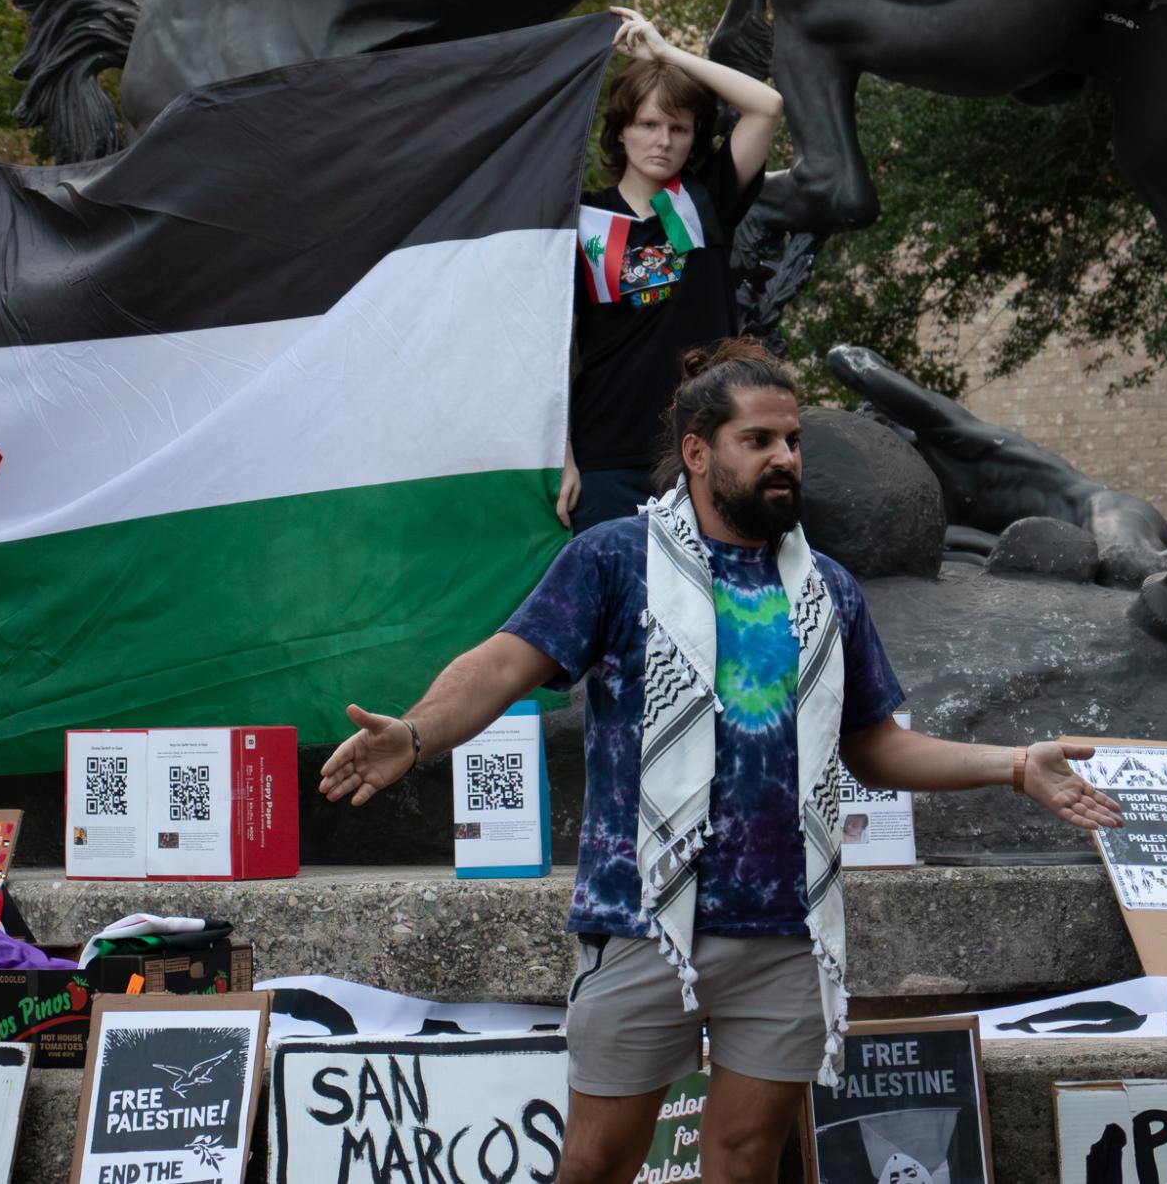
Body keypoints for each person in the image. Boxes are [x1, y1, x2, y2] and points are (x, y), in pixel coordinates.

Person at [320, 338, 1122, 1184]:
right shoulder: (613, 558)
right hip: (641, 918)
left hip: (786, 926)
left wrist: (1013, 764)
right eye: (759, 441)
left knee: (743, 1161)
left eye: (793, 442)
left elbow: (875, 747)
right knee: (598, 1159)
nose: (784, 459)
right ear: (698, 453)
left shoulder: (828, 590)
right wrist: (415, 735)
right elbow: (505, 662)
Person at [558, 8, 783, 534]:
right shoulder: (580, 220)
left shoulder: (704, 201)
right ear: (620, 134)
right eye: (648, 125)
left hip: (707, 449)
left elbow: (767, 106)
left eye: (678, 128)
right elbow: (547, 344)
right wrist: (561, 454)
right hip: (605, 457)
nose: (663, 140)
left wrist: (664, 52)